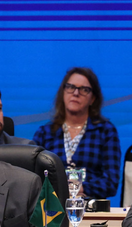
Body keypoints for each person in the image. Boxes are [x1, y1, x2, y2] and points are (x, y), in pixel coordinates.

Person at [33, 67, 121, 199]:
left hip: (90, 206)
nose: (75, 93)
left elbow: (111, 182)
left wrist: (80, 188)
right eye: (70, 87)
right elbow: (33, 178)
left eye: (84, 89)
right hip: (52, 206)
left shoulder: (105, 132)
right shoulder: (45, 133)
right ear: (63, 92)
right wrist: (59, 190)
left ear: (93, 99)